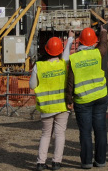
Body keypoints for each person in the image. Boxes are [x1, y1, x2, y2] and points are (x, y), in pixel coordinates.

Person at [66, 24, 108, 169]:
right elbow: (103, 45)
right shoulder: (98, 53)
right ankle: (101, 161)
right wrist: (103, 33)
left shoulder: (74, 59)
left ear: (80, 42)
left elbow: (70, 82)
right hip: (100, 97)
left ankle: (86, 162)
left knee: (85, 132)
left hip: (83, 100)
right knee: (100, 129)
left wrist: (68, 100)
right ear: (94, 42)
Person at [30, 31, 74, 171]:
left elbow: (32, 85)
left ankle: (41, 163)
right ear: (59, 51)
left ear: (46, 50)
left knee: (45, 134)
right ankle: (56, 162)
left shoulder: (39, 66)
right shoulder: (63, 64)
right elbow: (66, 53)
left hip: (46, 108)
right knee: (60, 134)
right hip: (62, 107)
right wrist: (71, 38)